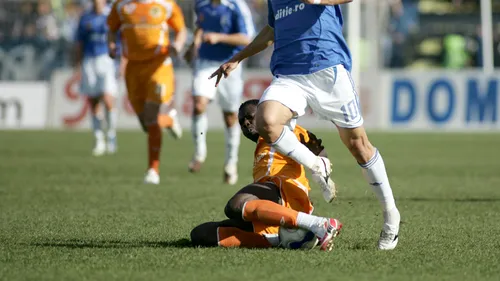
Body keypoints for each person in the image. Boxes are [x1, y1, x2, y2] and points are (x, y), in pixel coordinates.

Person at [209, 0, 401, 250]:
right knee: (266, 121)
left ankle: (391, 216)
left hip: (328, 69)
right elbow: (271, 29)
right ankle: (316, 164)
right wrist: (238, 58)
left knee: (359, 145)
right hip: (289, 75)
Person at [191, 99, 342, 251]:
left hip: (287, 191)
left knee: (236, 205)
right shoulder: (261, 144)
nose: (246, 123)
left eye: (250, 117)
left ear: (264, 114)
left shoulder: (283, 131)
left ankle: (319, 224)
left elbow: (318, 149)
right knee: (201, 234)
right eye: (242, 121)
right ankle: (276, 239)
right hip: (271, 202)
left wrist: (323, 176)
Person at [107, 0, 187, 184]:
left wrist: (178, 45)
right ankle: (168, 120)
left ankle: (153, 170)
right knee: (146, 123)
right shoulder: (121, 5)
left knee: (151, 117)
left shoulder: (166, 4)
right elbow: (111, 29)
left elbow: (181, 29)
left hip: (158, 65)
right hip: (133, 68)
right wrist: (111, 45)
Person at [183, 0, 255, 185]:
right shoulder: (201, 4)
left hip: (230, 63)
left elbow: (247, 38)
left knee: (230, 116)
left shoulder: (236, 6)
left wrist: (219, 37)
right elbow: (200, 26)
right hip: (205, 63)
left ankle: (231, 164)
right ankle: (199, 153)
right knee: (199, 104)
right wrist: (193, 47)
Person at [75, 0, 120, 156]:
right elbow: (79, 42)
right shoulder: (85, 17)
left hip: (106, 60)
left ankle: (111, 134)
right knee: (94, 101)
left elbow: (121, 38)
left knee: (108, 100)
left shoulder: (112, 14)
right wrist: (78, 64)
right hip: (89, 60)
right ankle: (98, 139)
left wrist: (122, 61)